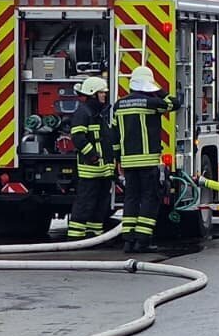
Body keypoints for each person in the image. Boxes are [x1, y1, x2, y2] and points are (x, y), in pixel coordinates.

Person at [113, 64, 173, 254]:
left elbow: (115, 137)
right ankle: (143, 241)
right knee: (149, 198)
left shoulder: (118, 105)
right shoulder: (151, 103)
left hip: (128, 162)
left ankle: (128, 241)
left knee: (131, 198)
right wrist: (159, 90)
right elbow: (174, 103)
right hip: (147, 161)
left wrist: (118, 160)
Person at [66, 76, 114, 242]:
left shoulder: (99, 113)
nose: (104, 95)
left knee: (100, 203)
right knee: (85, 202)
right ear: (93, 94)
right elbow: (78, 138)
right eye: (101, 93)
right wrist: (92, 155)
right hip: (90, 168)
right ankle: (75, 236)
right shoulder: (83, 112)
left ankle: (94, 234)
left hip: (103, 169)